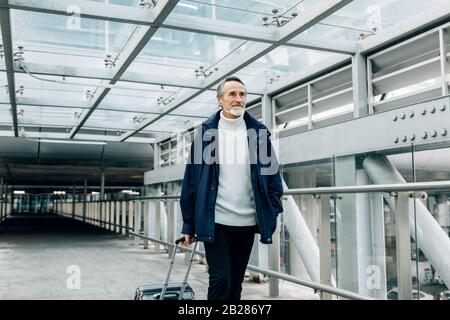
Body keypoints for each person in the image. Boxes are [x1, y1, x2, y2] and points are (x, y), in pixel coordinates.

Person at [179, 76, 284, 300]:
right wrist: (189, 223)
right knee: (220, 280)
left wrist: (272, 210)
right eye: (232, 94)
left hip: (247, 224)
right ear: (220, 100)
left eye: (242, 94)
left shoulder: (259, 134)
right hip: (215, 223)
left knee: (235, 283)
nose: (238, 99)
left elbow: (273, 179)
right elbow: (191, 182)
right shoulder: (206, 135)